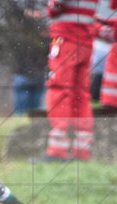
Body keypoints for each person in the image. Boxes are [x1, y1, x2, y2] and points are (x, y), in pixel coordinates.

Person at [44, 0, 98, 161]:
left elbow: (54, 7)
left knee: (59, 89)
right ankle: (82, 151)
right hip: (85, 41)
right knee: (81, 94)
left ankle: (57, 151)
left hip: (66, 38)